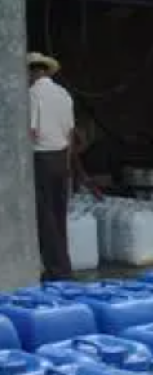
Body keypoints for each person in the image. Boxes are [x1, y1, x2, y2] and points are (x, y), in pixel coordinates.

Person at [28, 52, 74, 281]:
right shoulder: (63, 94)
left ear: (33, 72)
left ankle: (55, 269)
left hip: (42, 158)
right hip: (61, 157)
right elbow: (70, 132)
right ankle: (64, 265)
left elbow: (31, 131)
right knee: (59, 213)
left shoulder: (32, 94)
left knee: (44, 216)